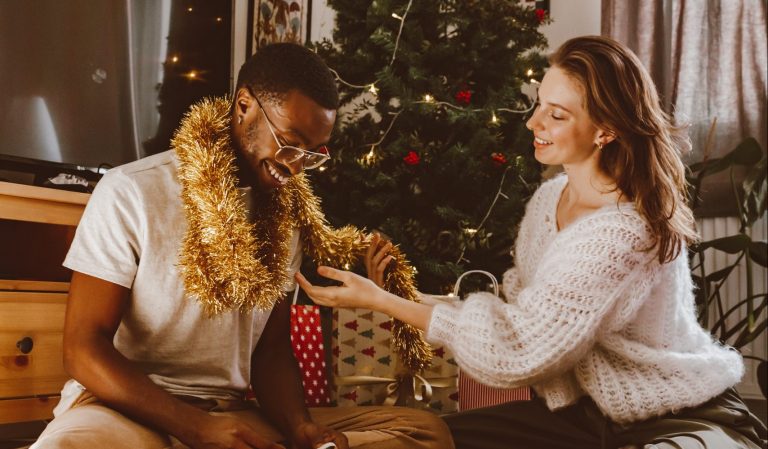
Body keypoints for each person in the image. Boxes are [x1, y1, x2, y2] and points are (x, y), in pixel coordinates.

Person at [295, 36, 768, 449]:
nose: (533, 123)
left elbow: (521, 351)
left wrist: (384, 303)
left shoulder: (623, 231)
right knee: (432, 438)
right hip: (583, 419)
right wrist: (405, 298)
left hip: (678, 415)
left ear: (606, 130)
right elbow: (516, 312)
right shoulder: (549, 199)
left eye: (557, 115)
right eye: (539, 103)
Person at [32, 43, 453, 449]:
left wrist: (301, 426)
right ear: (244, 105)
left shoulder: (284, 216)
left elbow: (269, 351)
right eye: (289, 142)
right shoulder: (130, 192)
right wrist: (195, 429)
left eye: (311, 154)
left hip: (227, 415)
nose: (296, 165)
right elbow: (83, 349)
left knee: (425, 433)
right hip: (123, 410)